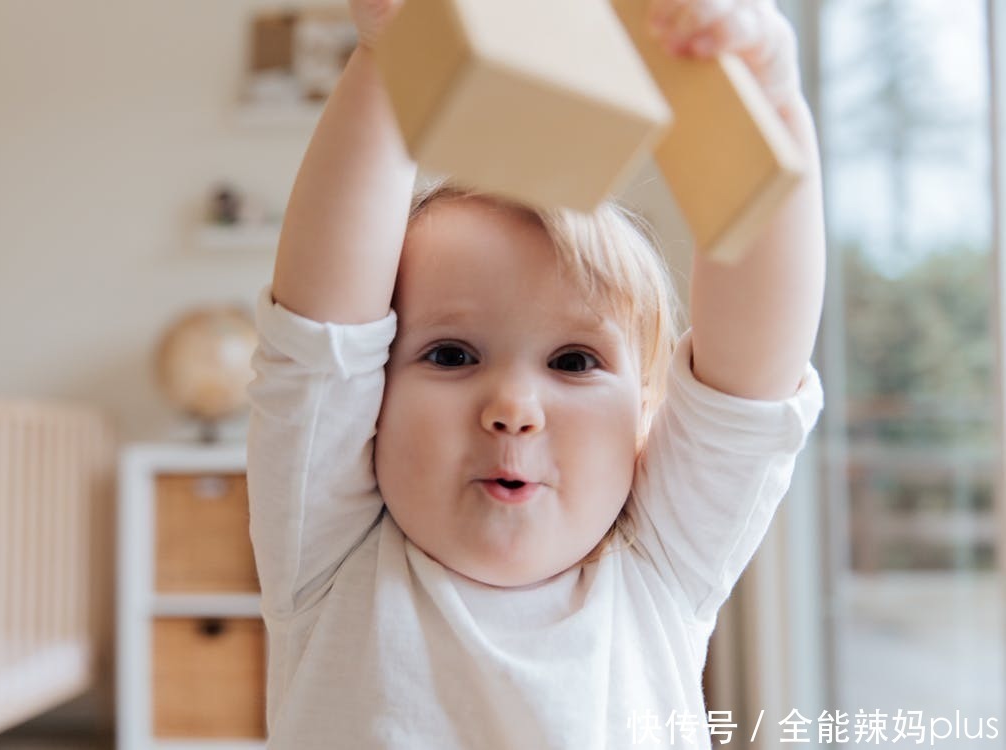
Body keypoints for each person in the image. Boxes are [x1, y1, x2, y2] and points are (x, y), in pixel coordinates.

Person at [246, 0, 825, 746]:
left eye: (573, 362)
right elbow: (321, 338)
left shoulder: (659, 562)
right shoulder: (330, 551)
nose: (513, 408)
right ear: (371, 402)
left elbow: (751, 379)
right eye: (451, 355)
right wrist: (395, 54)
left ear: (644, 416)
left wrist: (770, 103)